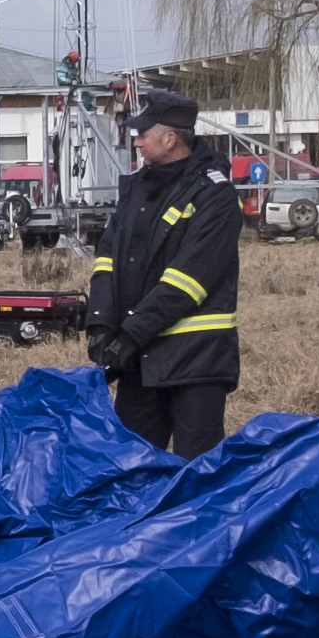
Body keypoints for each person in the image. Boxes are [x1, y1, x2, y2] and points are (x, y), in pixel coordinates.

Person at [88, 88, 240, 450]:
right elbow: (107, 258)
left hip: (195, 360)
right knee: (132, 469)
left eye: (143, 134)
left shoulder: (214, 197)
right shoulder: (137, 189)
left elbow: (187, 281)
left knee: (195, 473)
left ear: (170, 139)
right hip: (139, 358)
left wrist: (129, 336)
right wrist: (101, 325)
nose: (136, 141)